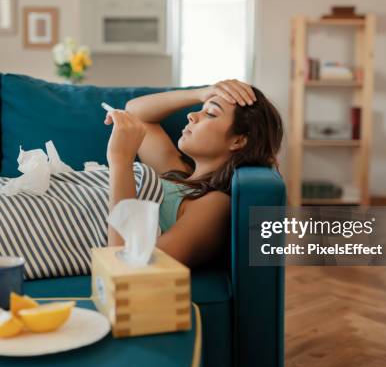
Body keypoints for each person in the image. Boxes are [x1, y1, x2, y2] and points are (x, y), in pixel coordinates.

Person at [104, 79, 283, 267]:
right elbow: (135, 112)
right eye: (201, 108)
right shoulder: (175, 171)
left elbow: (131, 266)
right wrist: (202, 93)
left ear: (238, 141)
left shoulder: (212, 203)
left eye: (211, 113)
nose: (191, 115)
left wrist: (121, 162)